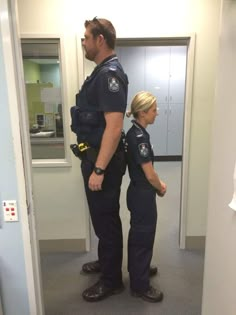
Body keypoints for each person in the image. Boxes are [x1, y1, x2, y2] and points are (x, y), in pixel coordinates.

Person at [71, 17, 129, 302]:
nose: (83, 42)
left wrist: (99, 168)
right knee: (101, 218)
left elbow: (114, 127)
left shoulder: (109, 75)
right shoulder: (99, 73)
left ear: (100, 40)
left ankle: (111, 280)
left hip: (102, 163)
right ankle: (106, 263)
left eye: (86, 37)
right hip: (94, 159)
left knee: (106, 221)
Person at [125, 91, 167, 302]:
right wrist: (160, 187)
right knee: (143, 237)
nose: (156, 113)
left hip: (137, 192)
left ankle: (138, 270)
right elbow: (149, 174)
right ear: (142, 113)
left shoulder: (136, 131)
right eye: (153, 110)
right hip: (143, 194)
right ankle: (140, 286)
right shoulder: (139, 137)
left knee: (138, 235)